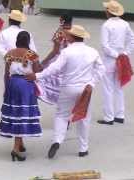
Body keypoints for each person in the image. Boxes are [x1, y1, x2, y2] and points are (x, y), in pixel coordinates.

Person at [26, 25, 105, 158]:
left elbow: (54, 69)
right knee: (84, 117)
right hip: (85, 89)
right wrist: (92, 82)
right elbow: (101, 69)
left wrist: (37, 75)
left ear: (72, 37)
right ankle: (83, 148)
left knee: (62, 115)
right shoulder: (92, 51)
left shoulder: (67, 52)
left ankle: (57, 140)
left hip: (68, 88)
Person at [0, 31, 42, 162]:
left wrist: (6, 88)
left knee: (15, 113)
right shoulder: (32, 55)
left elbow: (6, 73)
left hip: (12, 83)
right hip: (26, 85)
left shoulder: (9, 54)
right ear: (28, 41)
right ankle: (15, 149)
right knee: (22, 114)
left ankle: (20, 144)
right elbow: (36, 72)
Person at [97, 0, 134, 125]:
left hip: (110, 59)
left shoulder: (106, 25)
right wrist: (124, 53)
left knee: (107, 88)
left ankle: (108, 117)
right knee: (119, 87)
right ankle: (120, 115)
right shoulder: (125, 24)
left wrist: (116, 55)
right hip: (121, 58)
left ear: (108, 12)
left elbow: (105, 46)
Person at [36, 13, 73, 105]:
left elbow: (55, 51)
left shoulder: (59, 32)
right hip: (72, 60)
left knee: (44, 79)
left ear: (62, 21)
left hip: (59, 59)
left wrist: (44, 62)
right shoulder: (75, 31)